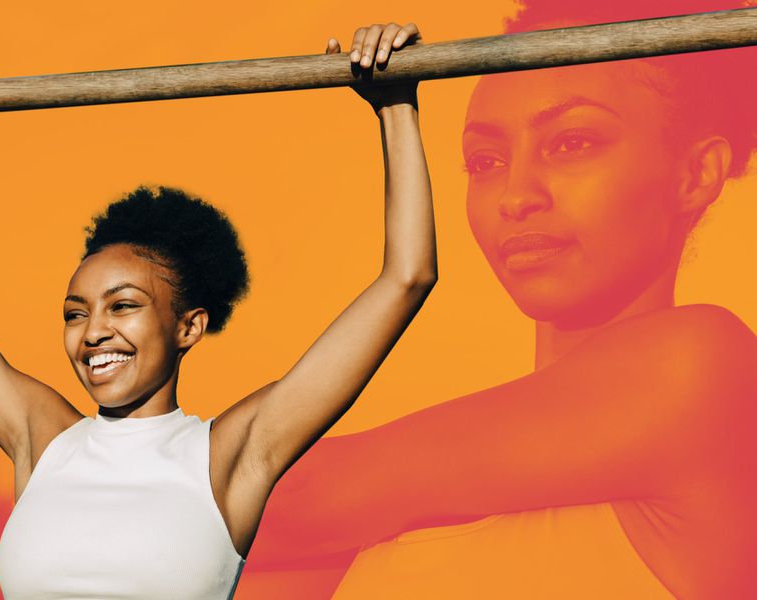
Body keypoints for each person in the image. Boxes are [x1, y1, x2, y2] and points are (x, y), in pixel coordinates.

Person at [0, 22, 435, 600]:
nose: (94, 331)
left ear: (189, 325)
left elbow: (406, 278)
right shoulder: (43, 441)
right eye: (74, 312)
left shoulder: (230, 455)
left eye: (123, 306)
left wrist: (394, 105)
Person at [241, 5, 757, 599]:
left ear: (696, 174)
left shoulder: (696, 366)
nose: (516, 196)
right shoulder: (393, 532)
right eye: (486, 161)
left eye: (571, 142)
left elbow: (279, 498)